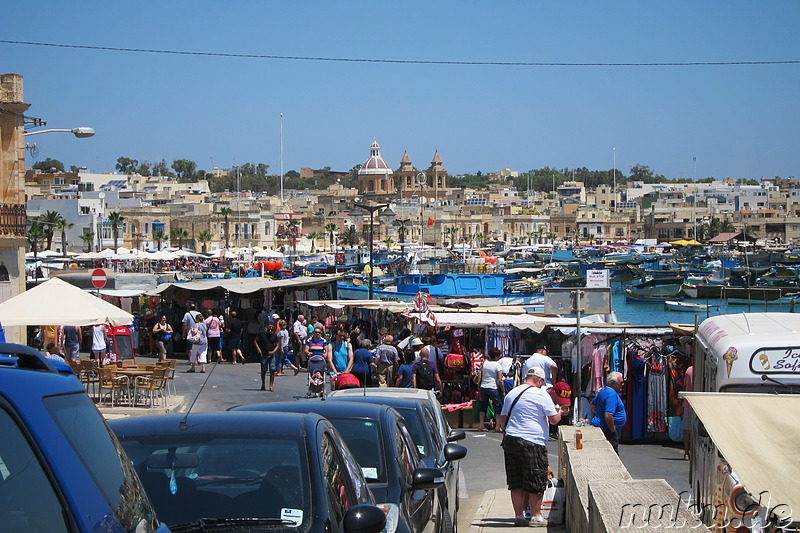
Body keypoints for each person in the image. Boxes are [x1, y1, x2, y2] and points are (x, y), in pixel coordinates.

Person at [498, 367, 569, 527]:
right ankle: (536, 516)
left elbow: (502, 418)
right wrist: (559, 412)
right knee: (535, 478)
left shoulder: (512, 393)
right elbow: (553, 420)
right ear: (539, 380)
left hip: (511, 440)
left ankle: (519, 516)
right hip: (532, 441)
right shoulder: (541, 394)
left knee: (516, 480)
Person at [590, 371, 627, 454]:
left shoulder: (604, 391)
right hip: (607, 430)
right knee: (612, 455)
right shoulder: (611, 395)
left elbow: (592, 404)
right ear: (613, 383)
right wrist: (613, 431)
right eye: (621, 382)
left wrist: (599, 415)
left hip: (603, 427)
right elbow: (608, 415)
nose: (623, 384)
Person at [478, 347, 505, 431]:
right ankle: (497, 426)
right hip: (493, 387)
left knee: (483, 406)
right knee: (498, 406)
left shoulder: (485, 363)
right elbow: (500, 380)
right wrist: (503, 390)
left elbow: (481, 374)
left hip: (483, 386)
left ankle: (481, 425)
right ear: (496, 356)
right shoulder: (497, 365)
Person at [254, 322, 281, 391]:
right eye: (269, 329)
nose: (270, 331)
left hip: (271, 355)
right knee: (263, 370)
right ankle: (263, 384)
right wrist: (258, 349)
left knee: (272, 369)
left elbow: (277, 345)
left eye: (272, 329)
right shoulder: (262, 334)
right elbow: (255, 341)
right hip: (264, 354)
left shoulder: (274, 336)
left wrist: (273, 352)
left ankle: (271, 385)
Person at [682, 364, 694, 461]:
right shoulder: (699, 371)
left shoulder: (689, 370)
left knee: (687, 428)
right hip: (698, 403)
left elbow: (685, 385)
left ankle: (686, 453)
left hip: (687, 403)